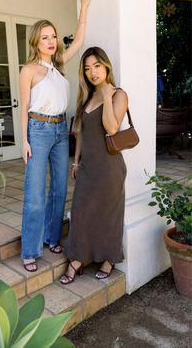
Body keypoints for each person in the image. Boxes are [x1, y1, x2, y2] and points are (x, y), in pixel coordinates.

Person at [20, 0, 91, 272]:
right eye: (45, 37)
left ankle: (51, 238)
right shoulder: (29, 70)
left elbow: (81, 40)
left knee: (60, 189)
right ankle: (30, 249)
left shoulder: (58, 65)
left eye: (54, 36)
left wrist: (84, 7)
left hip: (62, 130)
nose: (51, 41)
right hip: (37, 130)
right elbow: (24, 106)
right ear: (36, 41)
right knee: (36, 193)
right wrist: (23, 140)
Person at [60, 46, 128, 284]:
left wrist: (108, 97)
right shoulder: (87, 97)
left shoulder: (119, 94)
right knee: (80, 212)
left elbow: (111, 128)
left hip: (110, 168)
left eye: (97, 66)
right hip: (88, 166)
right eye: (88, 68)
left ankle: (109, 259)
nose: (92, 72)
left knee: (109, 215)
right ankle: (77, 259)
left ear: (106, 66)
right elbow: (80, 132)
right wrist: (76, 162)